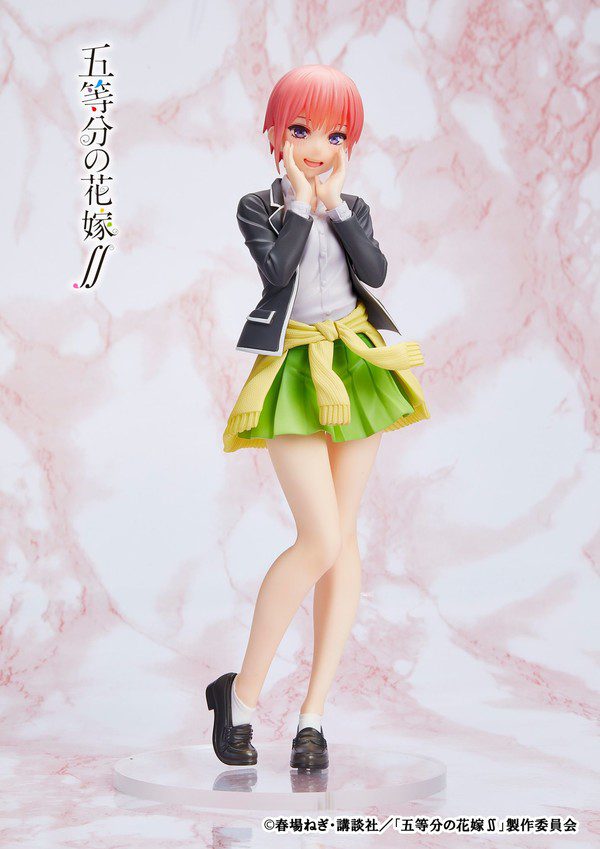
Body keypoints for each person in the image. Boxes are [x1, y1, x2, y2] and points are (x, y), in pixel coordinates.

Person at [206, 64, 430, 771]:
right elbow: (278, 274)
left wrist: (334, 206)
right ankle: (241, 696)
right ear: (276, 133)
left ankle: (313, 714)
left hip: (356, 366)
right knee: (320, 537)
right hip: (296, 370)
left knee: (344, 541)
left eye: (334, 135)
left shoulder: (352, 206)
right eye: (302, 130)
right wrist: (303, 205)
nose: (317, 147)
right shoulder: (259, 206)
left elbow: (375, 271)